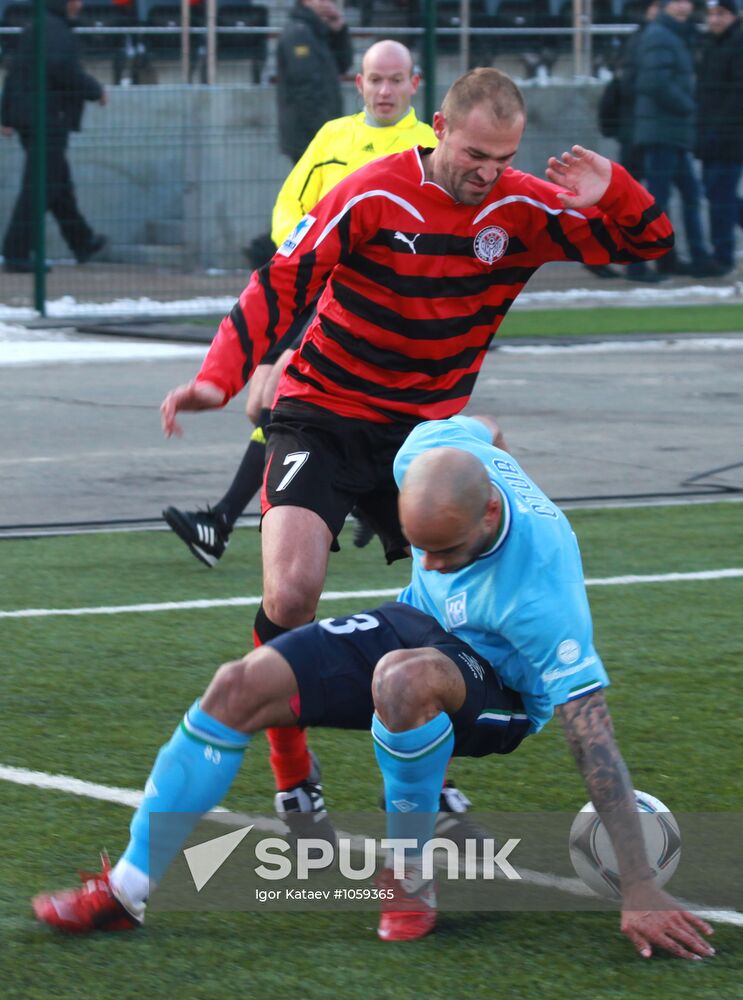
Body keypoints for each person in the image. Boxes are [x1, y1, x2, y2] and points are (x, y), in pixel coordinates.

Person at [158, 68, 674, 858]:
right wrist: (218, 377)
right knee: (290, 593)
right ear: (439, 128)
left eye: (503, 158)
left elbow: (647, 247)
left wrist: (615, 191)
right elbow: (283, 280)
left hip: (423, 437)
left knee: (442, 615)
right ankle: (292, 771)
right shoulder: (372, 193)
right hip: (323, 412)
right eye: (474, 154)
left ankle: (425, 771)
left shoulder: (523, 207)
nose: (488, 172)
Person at [31, 416, 715, 960]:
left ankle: (409, 875)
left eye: (445, 551)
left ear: (487, 515)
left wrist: (638, 883)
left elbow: (591, 736)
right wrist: (493, 468)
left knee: (402, 677)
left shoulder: (540, 594)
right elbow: (486, 426)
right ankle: (125, 892)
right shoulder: (428, 449)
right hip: (420, 626)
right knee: (238, 684)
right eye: (420, 547)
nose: (432, 563)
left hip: (504, 693)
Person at [163, 40, 437, 569]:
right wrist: (309, 251)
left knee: (279, 399)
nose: (385, 90)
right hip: (315, 290)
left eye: (396, 79)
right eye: (375, 79)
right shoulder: (333, 137)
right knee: (262, 404)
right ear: (358, 83)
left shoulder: (426, 147)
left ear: (414, 85)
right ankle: (245, 517)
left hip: (374, 308)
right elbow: (290, 205)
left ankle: (228, 519)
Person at [1, 0, 107, 274]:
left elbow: (14, 73)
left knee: (57, 182)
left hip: (33, 117)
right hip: (46, 119)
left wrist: (7, 115)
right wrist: (94, 89)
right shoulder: (55, 31)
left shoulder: (37, 27)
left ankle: (82, 240)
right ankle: (16, 252)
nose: (80, 5)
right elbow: (62, 69)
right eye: (75, 0)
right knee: (40, 186)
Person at [633, 0, 725, 277]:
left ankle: (695, 257)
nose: (683, 5)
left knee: (689, 195)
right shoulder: (660, 34)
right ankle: (643, 261)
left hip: (674, 131)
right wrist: (689, 107)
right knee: (658, 200)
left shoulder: (677, 34)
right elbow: (653, 81)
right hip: (662, 130)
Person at [695, 0, 743, 275]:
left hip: (729, 135)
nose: (714, 19)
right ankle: (721, 253)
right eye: (711, 14)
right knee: (716, 192)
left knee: (720, 195)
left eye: (721, 14)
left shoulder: (737, 43)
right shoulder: (711, 44)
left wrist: (719, 126)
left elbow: (737, 94)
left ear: (734, 16)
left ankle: (722, 257)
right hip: (710, 133)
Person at [276, 0, 353, 166]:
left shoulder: (318, 31)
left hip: (321, 133)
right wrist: (323, 133)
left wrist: (339, 32)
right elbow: (306, 89)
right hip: (308, 136)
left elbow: (343, 65)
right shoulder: (299, 34)